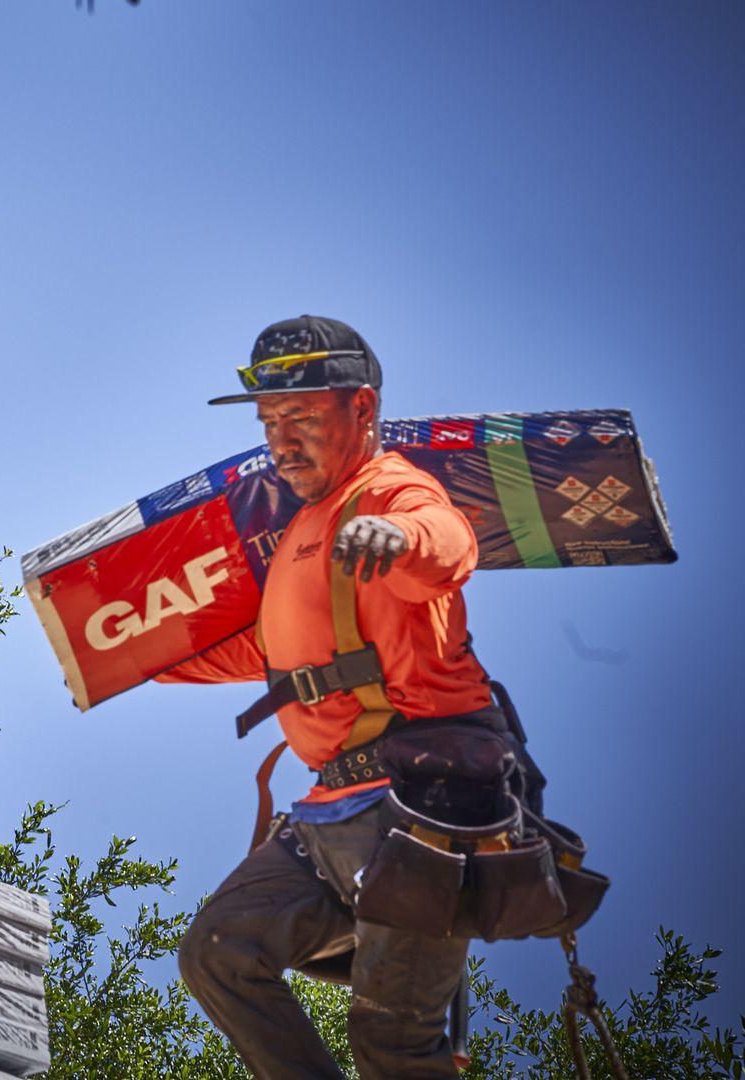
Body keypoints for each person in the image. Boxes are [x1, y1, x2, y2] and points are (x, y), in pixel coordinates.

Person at [156, 315, 506, 1078]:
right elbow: (276, 654)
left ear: (363, 410)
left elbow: (449, 542)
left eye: (302, 416)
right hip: (328, 823)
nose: (281, 440)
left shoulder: (390, 489)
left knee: (392, 1044)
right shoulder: (300, 532)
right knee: (220, 952)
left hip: (422, 811)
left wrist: (402, 538)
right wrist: (143, 661)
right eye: (271, 421)